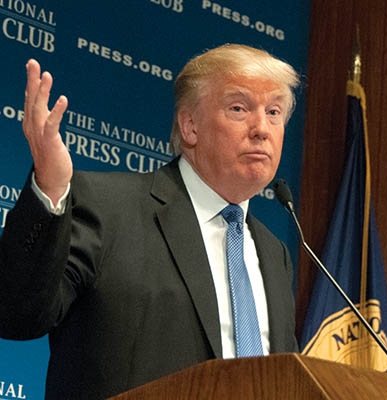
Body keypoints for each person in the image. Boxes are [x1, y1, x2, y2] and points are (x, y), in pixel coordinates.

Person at [0, 44, 299, 399]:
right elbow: (17, 314)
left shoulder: (274, 253)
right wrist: (49, 189)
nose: (262, 128)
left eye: (274, 112)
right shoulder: (106, 207)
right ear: (190, 125)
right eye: (239, 108)